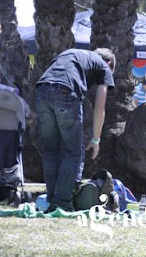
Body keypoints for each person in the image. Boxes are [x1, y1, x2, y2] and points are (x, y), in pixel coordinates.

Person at [36, 48, 115, 213]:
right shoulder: (104, 66)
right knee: (73, 152)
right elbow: (100, 108)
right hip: (66, 92)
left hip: (42, 91)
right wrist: (96, 140)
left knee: (50, 151)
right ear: (108, 64)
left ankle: (52, 200)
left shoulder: (72, 53)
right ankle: (62, 203)